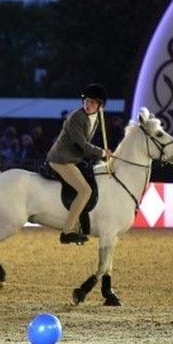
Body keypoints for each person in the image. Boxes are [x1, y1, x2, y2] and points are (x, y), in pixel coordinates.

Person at [46, 83, 111, 244]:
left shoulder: (95, 120)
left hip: (74, 159)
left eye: (94, 103)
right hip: (61, 159)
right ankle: (67, 232)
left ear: (100, 106)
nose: (89, 105)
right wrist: (103, 153)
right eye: (87, 101)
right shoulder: (77, 116)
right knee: (85, 191)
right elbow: (81, 144)